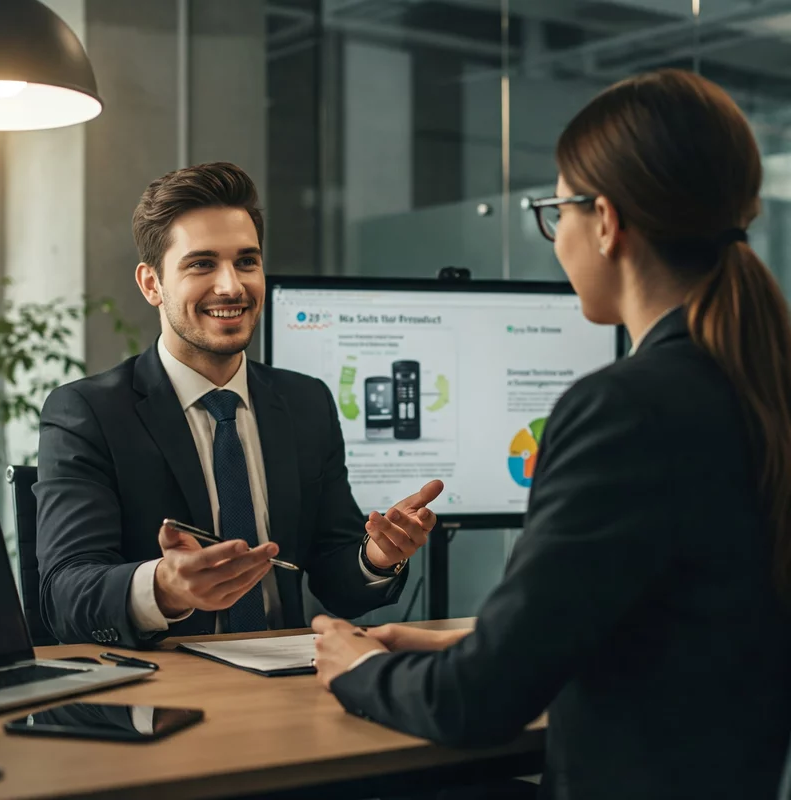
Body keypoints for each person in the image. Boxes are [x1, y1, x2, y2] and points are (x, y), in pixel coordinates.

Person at [310, 69, 791, 800]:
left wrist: (359, 669)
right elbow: (683, 623)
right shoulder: (757, 382)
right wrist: (474, 643)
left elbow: (475, 703)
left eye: (555, 208)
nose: (555, 232)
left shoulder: (627, 407)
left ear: (604, 220)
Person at [35, 162, 442, 648]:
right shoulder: (87, 412)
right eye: (201, 264)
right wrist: (164, 587)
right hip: (162, 689)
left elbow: (337, 579)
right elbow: (64, 594)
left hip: (288, 681)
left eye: (247, 261)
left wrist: (375, 557)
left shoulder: (305, 401)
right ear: (151, 284)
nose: (231, 286)